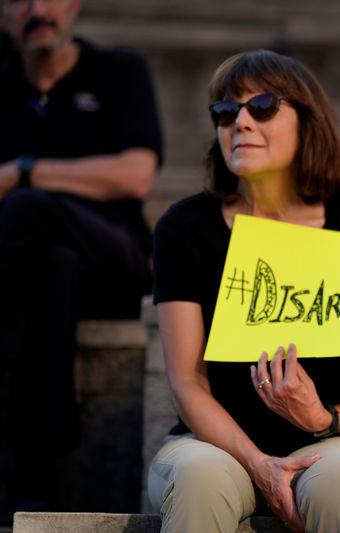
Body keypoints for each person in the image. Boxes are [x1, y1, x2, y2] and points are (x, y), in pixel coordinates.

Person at [146, 50, 340, 533]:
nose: (239, 121)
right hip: (216, 446)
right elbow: (187, 383)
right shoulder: (184, 228)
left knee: (338, 481)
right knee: (200, 478)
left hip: (339, 444)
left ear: (308, 121)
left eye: (262, 106)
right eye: (224, 112)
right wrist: (259, 463)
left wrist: (322, 418)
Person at [0, 0, 162, 521]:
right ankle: (37, 475)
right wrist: (77, 176)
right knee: (53, 266)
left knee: (25, 209)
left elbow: (135, 175)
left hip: (118, 258)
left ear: (74, 5)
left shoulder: (119, 71)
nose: (36, 9)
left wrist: (23, 173)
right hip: (42, 278)